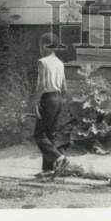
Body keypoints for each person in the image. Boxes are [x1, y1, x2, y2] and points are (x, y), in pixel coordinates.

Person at [32, 35, 69, 178]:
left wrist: (35, 102)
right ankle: (48, 170)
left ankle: (59, 158)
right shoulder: (60, 62)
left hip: (48, 98)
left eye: (40, 46)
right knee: (50, 135)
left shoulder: (42, 62)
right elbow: (64, 87)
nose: (40, 49)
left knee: (39, 134)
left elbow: (42, 85)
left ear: (46, 45)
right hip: (58, 98)